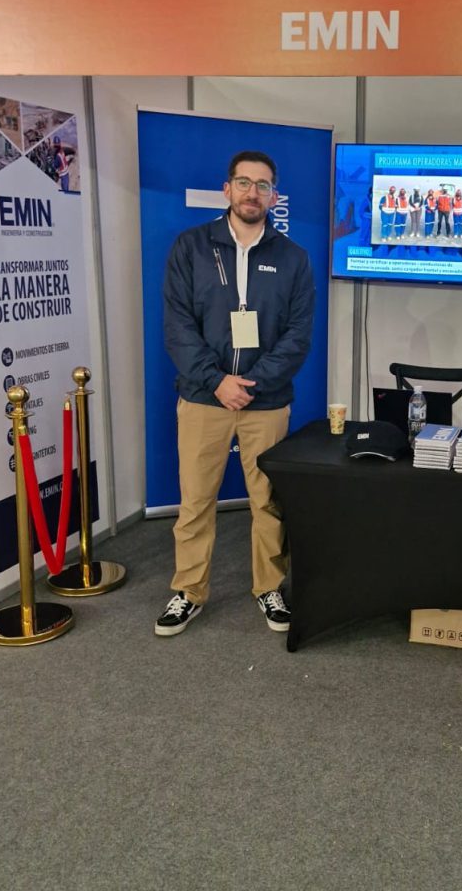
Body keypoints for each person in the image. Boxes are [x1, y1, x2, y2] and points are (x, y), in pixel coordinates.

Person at [155, 150, 315, 637]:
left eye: (263, 185)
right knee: (195, 501)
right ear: (227, 189)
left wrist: (253, 384)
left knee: (268, 501)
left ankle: (269, 587)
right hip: (204, 398)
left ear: (274, 196)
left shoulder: (293, 257)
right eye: (244, 183)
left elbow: (297, 335)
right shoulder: (191, 247)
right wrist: (217, 381)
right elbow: (178, 326)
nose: (252, 193)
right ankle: (189, 591)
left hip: (265, 403)